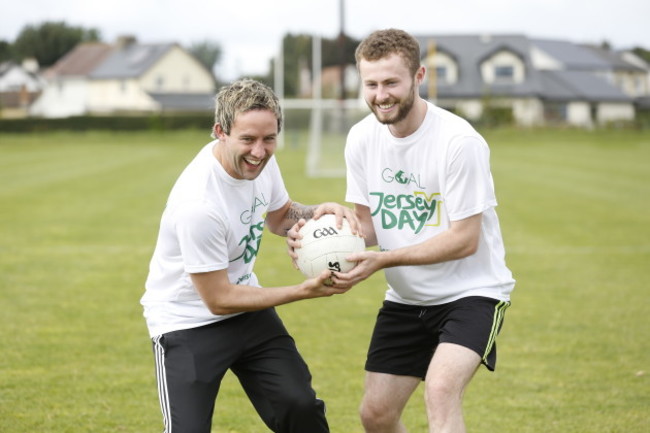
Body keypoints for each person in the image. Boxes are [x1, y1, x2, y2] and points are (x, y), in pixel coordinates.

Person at [293, 29, 516, 433]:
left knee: (441, 390)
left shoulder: (459, 142)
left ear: (418, 76)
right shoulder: (361, 137)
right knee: (376, 415)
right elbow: (367, 226)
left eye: (391, 82)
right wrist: (319, 230)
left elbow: (465, 239)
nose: (381, 95)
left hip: (472, 293)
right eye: (371, 84)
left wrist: (383, 261)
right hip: (408, 298)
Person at [140, 78, 358, 433]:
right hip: (187, 322)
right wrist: (303, 291)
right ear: (220, 132)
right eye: (248, 140)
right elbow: (219, 299)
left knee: (298, 406)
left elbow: (279, 216)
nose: (259, 151)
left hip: (248, 312)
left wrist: (320, 213)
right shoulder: (198, 205)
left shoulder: (262, 163)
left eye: (269, 139)